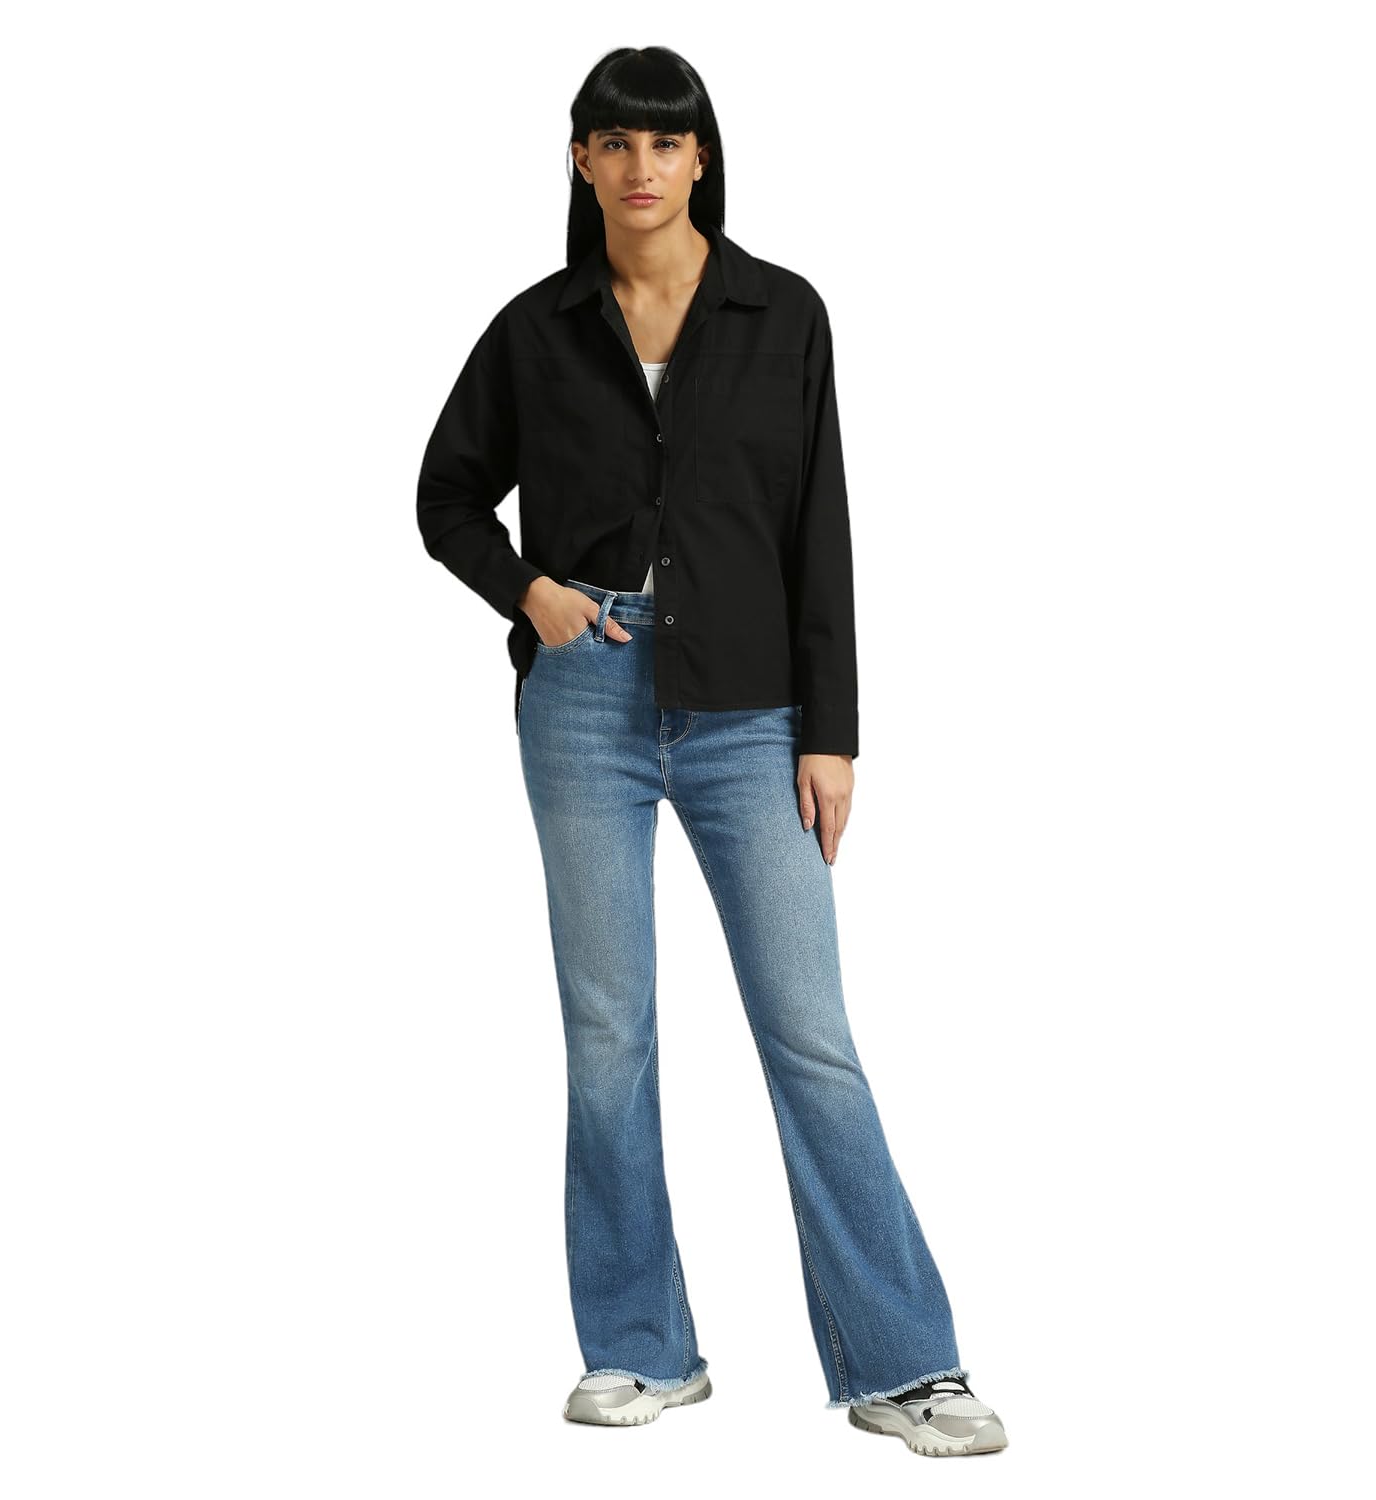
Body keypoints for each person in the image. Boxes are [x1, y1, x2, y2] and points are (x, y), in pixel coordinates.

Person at [415, 46, 1007, 1456]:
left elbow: (820, 527)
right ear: (580, 162)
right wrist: (530, 594)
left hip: (754, 715)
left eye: (666, 143)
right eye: (615, 143)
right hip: (584, 702)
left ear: (701, 158)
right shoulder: (535, 330)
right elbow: (444, 497)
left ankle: (903, 1364)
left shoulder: (782, 313)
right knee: (608, 1035)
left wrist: (833, 735)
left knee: (811, 1037)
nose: (642, 168)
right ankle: (641, 1345)